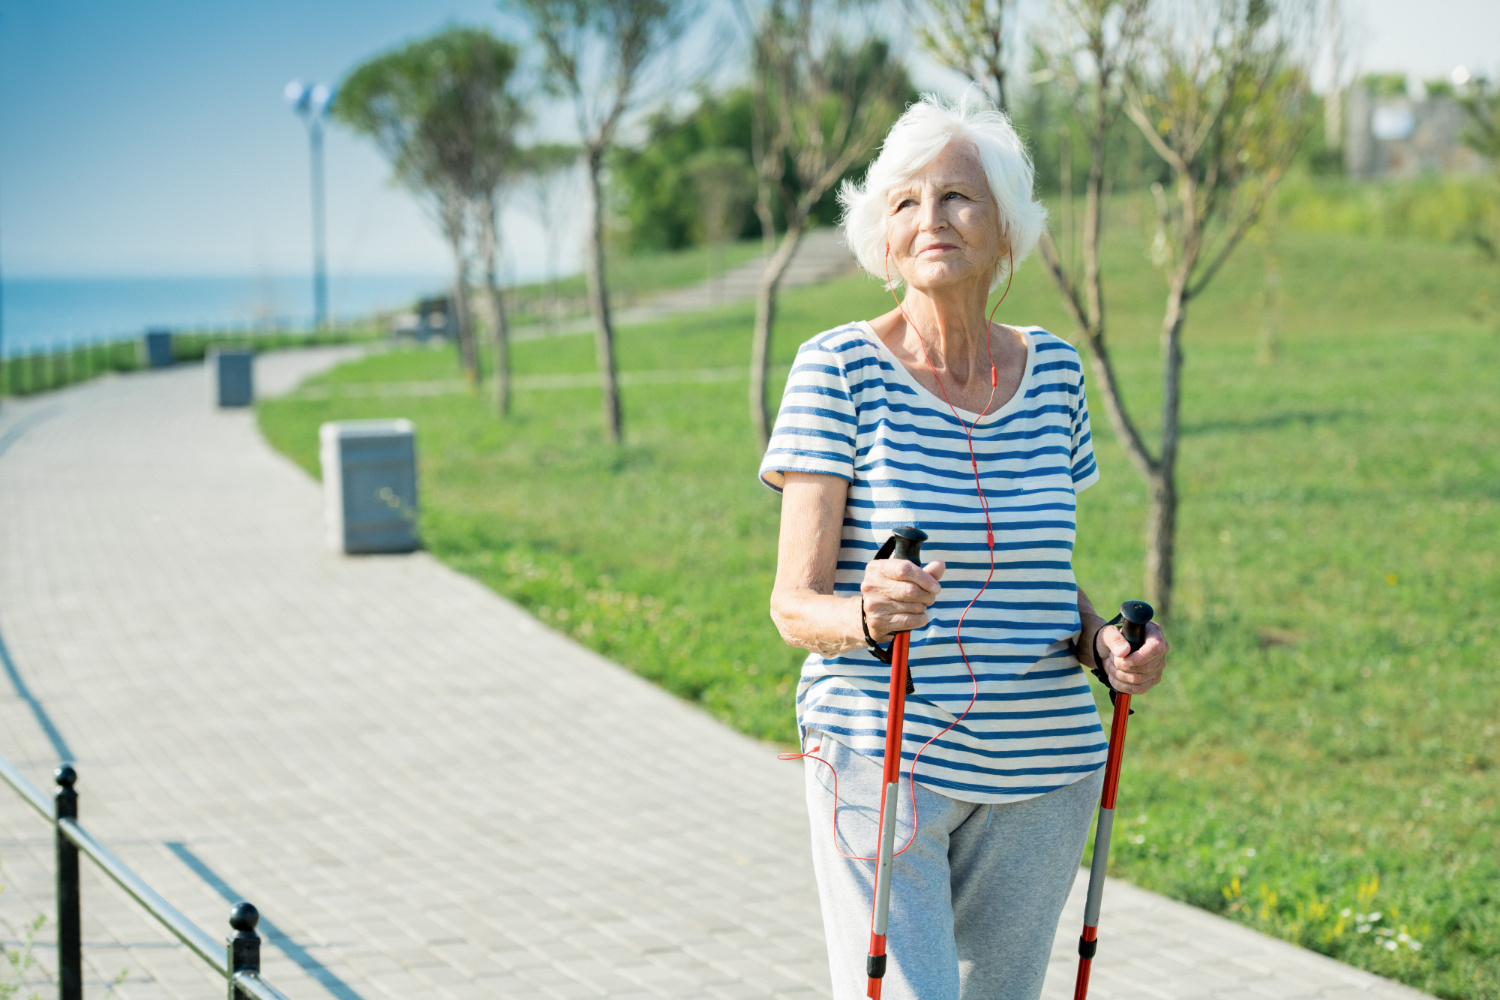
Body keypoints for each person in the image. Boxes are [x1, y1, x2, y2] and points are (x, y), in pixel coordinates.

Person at [758, 95, 1170, 1000]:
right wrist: (867, 612)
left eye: (957, 197)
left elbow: (1040, 582)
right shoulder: (837, 370)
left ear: (1008, 231)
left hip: (1045, 766)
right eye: (904, 202)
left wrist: (1104, 643)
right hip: (884, 754)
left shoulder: (1055, 371)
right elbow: (795, 604)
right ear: (882, 235)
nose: (930, 219)